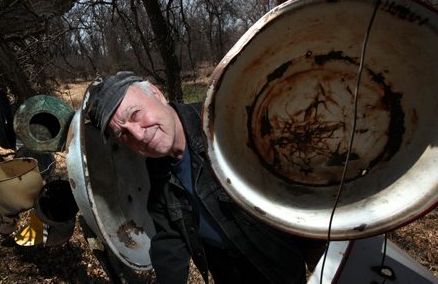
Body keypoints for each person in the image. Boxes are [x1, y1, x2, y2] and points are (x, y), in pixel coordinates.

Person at [88, 71, 324, 284]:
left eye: (136, 114)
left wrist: (320, 256)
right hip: (226, 269)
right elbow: (169, 235)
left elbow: (294, 185)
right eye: (123, 134)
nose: (138, 134)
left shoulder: (225, 125)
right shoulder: (157, 167)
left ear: (157, 94)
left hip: (271, 265)